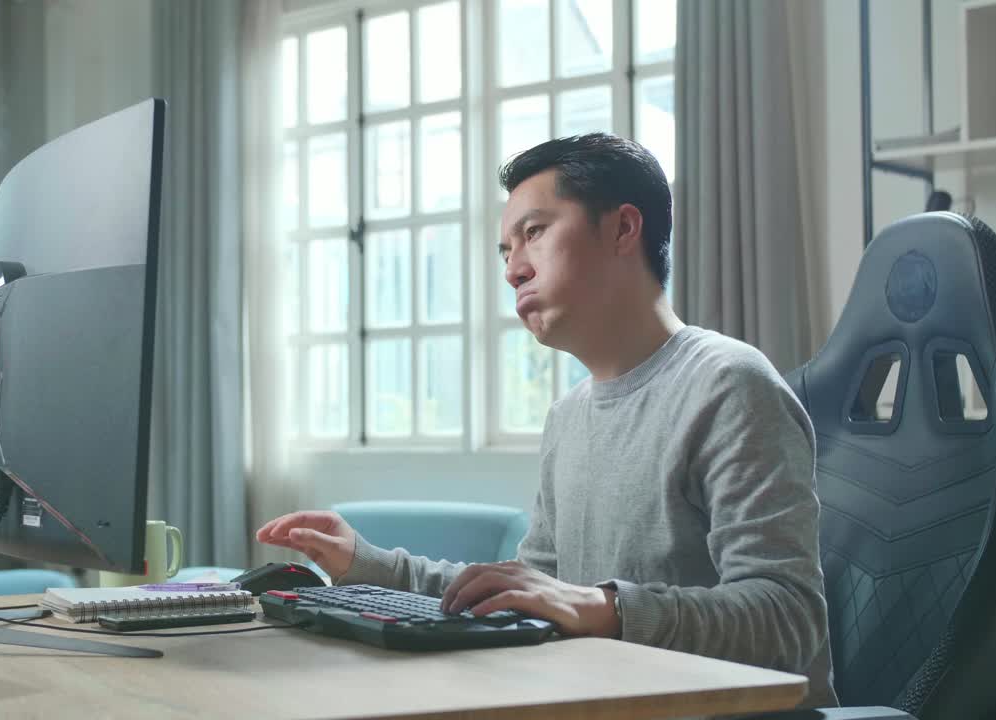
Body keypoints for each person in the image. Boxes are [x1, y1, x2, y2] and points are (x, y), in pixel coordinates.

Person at [257, 133, 836, 707]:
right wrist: (364, 562)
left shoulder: (730, 385)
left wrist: (601, 607)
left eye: (533, 233)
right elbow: (522, 592)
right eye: (506, 251)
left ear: (623, 229)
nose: (514, 270)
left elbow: (788, 617)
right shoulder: (569, 416)